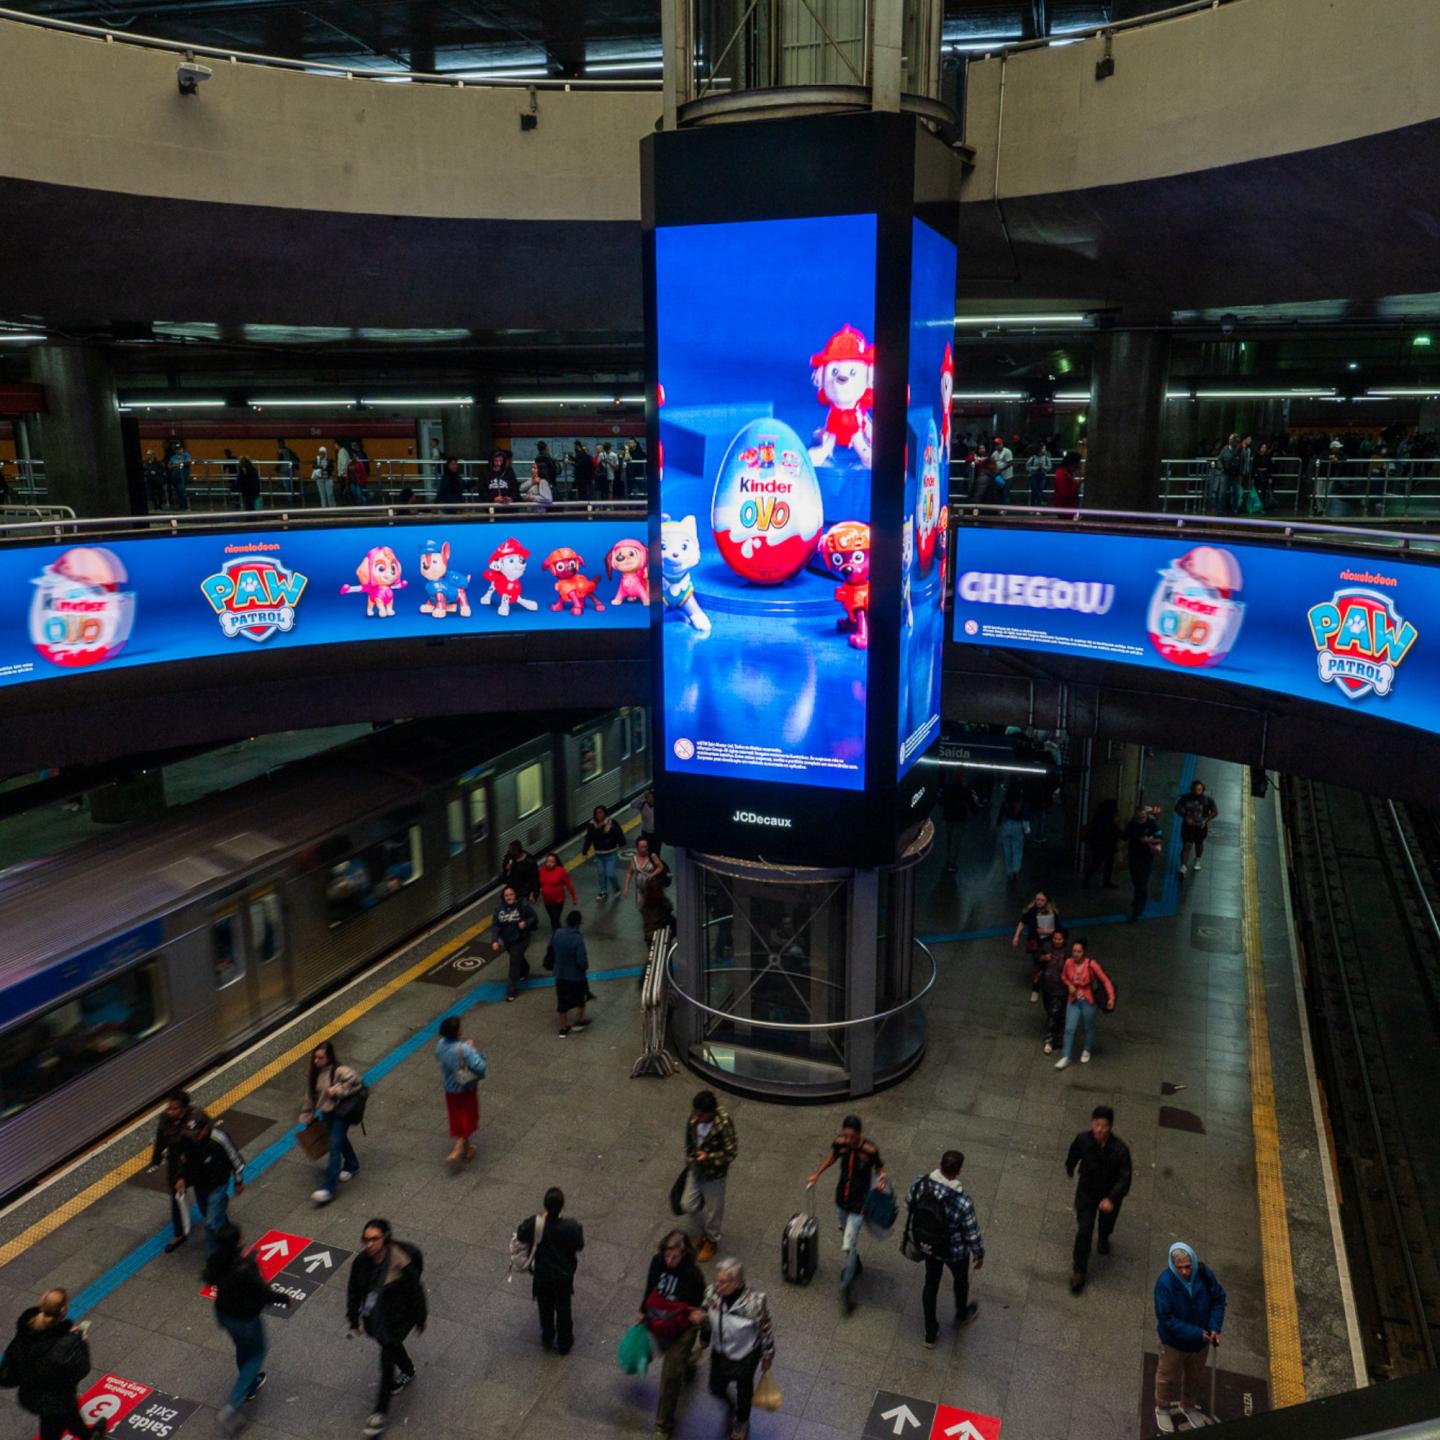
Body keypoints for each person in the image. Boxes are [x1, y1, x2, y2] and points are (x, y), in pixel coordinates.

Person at [206, 1223, 292, 1434]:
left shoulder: (216, 1260)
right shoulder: (245, 1267)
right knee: (256, 1353)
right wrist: (284, 1298)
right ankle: (232, 1404)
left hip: (224, 1315)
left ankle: (251, 1387)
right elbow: (263, 1292)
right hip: (245, 1319)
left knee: (243, 1348)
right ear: (237, 1241)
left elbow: (209, 1278)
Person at [347, 1219, 426, 1437]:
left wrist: (420, 1317)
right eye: (366, 1239)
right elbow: (353, 1291)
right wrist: (353, 1319)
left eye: (374, 1239)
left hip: (398, 1318)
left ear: (385, 1238)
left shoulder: (401, 1261)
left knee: (386, 1359)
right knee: (389, 1345)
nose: (369, 1244)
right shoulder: (361, 1262)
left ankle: (379, 1413)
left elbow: (415, 1291)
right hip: (375, 1317)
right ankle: (408, 1370)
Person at [806, 1115, 887, 1311]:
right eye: (846, 1136)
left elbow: (879, 1167)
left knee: (848, 1244)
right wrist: (817, 1174)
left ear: (859, 1134)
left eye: (852, 1137)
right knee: (845, 1236)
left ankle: (846, 1285)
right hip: (841, 1199)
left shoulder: (870, 1150)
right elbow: (833, 1157)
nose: (848, 1140)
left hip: (859, 1205)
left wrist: (882, 1177)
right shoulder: (840, 1143)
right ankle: (855, 1264)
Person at [904, 1149, 983, 1349]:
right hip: (954, 1251)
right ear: (958, 1172)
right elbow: (971, 1233)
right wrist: (979, 1254)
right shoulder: (963, 1202)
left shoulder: (920, 1183)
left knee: (931, 1283)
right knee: (960, 1280)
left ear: (940, 1164)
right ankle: (961, 1314)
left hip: (930, 1246)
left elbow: (909, 1202)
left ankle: (930, 1332)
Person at [638, 1231, 706, 1440]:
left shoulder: (693, 1275)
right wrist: (642, 1311)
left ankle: (663, 1425)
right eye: (667, 1255)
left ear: (684, 1253)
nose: (669, 1260)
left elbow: (699, 1305)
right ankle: (688, 1364)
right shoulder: (657, 1262)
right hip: (659, 1322)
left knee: (669, 1376)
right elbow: (650, 1287)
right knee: (673, 1361)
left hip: (683, 1329)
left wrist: (698, 1319)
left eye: (674, 1256)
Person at [696, 1259, 774, 1440]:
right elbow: (706, 1315)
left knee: (744, 1392)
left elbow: (766, 1329)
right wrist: (704, 1336)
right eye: (717, 1280)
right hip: (720, 1351)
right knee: (715, 1387)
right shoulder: (712, 1294)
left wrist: (768, 1355)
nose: (718, 1285)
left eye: (723, 1282)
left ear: (737, 1283)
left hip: (745, 1355)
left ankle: (742, 1421)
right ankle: (731, 1407)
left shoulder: (754, 1303)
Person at [7, 1288, 100, 1440]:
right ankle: (88, 1436)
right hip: (55, 1398)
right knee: (53, 1427)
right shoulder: (67, 1342)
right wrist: (80, 1343)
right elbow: (81, 1370)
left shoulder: (27, 1326)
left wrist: (68, 1335)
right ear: (63, 1309)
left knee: (70, 1417)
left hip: (30, 1390)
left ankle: (87, 1435)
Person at [1154, 1242, 1227, 1432]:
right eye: (1180, 1268)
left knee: (1194, 1376)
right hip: (1173, 1343)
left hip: (1200, 1343)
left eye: (1188, 1266)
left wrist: (1214, 1327)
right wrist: (1197, 1333)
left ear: (1193, 1262)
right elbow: (1165, 1319)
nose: (1185, 1272)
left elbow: (1219, 1300)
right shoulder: (1164, 1284)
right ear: (1173, 1266)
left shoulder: (1204, 1274)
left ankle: (1187, 1404)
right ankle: (1162, 1408)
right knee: (1166, 1377)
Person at [1065, 1105, 1131, 1292]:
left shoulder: (1120, 1150)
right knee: (1084, 1230)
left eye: (1104, 1125)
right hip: (1087, 1193)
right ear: (1092, 1123)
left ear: (1110, 1127)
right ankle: (1079, 1270)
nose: (1099, 1129)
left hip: (1109, 1196)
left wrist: (1111, 1198)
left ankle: (1103, 1236)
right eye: (1096, 1124)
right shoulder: (1083, 1140)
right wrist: (1070, 1167)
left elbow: (1125, 1178)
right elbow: (1074, 1153)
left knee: (1106, 1223)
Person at [513, 1187, 584, 1353]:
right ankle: (565, 1342)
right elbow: (579, 1245)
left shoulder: (535, 1224)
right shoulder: (572, 1227)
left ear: (545, 1205)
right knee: (563, 1307)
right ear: (562, 1205)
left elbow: (521, 1234)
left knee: (545, 1308)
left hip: (542, 1274)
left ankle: (547, 1336)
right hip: (564, 1276)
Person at [298, 1040, 362, 1205]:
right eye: (315, 1057)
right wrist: (308, 1114)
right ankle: (352, 1164)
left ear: (329, 1057)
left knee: (334, 1146)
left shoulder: (339, 1070)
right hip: (327, 1113)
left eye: (320, 1058)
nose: (316, 1061)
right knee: (340, 1140)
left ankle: (328, 1187)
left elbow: (355, 1080)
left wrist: (337, 1090)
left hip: (341, 1112)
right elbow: (310, 1096)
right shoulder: (315, 1074)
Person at [148, 1089, 209, 1254]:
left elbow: (195, 1145)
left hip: (196, 1163)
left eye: (174, 1109)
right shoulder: (165, 1120)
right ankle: (179, 1232)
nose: (169, 1111)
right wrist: (156, 1159)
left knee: (203, 1194)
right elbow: (161, 1139)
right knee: (176, 1197)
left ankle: (214, 1221)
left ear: (183, 1109)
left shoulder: (196, 1117)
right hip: (175, 1163)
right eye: (169, 1107)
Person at [178, 1114, 245, 1259]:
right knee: (210, 1215)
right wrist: (181, 1177)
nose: (195, 1137)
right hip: (199, 1184)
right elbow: (184, 1160)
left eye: (197, 1133)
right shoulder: (189, 1140)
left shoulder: (219, 1138)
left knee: (210, 1223)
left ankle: (214, 1258)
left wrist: (238, 1181)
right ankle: (232, 1238)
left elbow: (235, 1159)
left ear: (206, 1128)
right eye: (192, 1134)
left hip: (218, 1184)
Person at [683, 1090, 737, 1262]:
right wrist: (689, 1157)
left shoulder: (723, 1122)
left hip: (714, 1174)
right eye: (695, 1113)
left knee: (715, 1210)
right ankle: (704, 1231)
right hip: (696, 1169)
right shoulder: (694, 1118)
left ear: (710, 1114)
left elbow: (731, 1153)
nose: (695, 1118)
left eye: (700, 1115)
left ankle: (711, 1240)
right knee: (688, 1205)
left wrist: (709, 1158)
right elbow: (689, 1140)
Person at [1053, 938, 1115, 1070]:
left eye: (1079, 951)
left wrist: (1111, 998)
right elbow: (1063, 976)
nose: (1076, 954)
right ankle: (1066, 1056)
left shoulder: (1091, 965)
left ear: (1084, 952)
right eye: (1074, 951)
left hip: (1088, 999)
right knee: (1069, 1029)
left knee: (1088, 1027)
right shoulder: (1069, 963)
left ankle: (1086, 1049)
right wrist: (1069, 985)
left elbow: (1105, 980)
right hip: (1073, 999)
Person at [434, 1016, 486, 1163]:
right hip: (465, 1088)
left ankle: (468, 1149)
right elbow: (480, 1066)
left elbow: (439, 1057)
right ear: (457, 1032)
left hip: (450, 1088)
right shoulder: (463, 1049)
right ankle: (457, 1150)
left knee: (458, 1118)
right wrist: (472, 1049)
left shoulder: (440, 1045)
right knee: (470, 1117)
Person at [489, 884, 538, 1002]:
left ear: (515, 895)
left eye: (511, 894)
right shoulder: (499, 909)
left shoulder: (523, 905)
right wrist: (494, 940)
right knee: (516, 957)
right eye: (506, 895)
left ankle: (511, 992)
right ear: (503, 897)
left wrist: (525, 923)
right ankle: (525, 969)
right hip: (508, 940)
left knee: (514, 962)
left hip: (522, 939)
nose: (509, 897)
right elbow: (495, 925)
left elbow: (534, 917)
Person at [1011, 890, 1061, 1003]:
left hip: (1047, 942)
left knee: (1047, 963)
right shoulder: (1032, 911)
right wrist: (1016, 936)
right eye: (1037, 899)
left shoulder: (1052, 913)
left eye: (1042, 900)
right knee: (1037, 964)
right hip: (1035, 942)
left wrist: (1046, 931)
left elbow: (1058, 929)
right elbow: (1022, 922)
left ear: (1046, 901)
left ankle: (1045, 986)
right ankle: (1036, 988)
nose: (1039, 902)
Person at [552, 909, 590, 1036]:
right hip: (576, 977)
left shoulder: (557, 933)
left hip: (560, 974)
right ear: (578, 923)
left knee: (562, 1001)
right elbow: (581, 961)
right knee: (581, 999)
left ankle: (563, 1028)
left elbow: (552, 949)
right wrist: (585, 967)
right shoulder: (577, 939)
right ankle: (580, 1021)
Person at [1123, 803, 1163, 920]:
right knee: (1135, 879)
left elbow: (1160, 838)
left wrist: (1148, 840)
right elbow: (1124, 837)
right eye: (1138, 817)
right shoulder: (1132, 824)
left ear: (1146, 816)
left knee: (1142, 881)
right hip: (1134, 856)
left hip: (1146, 857)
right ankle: (1138, 899)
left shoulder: (1151, 825)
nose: (1141, 819)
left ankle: (1138, 907)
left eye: (1143, 817)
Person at [1175, 779, 1218, 876]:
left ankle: (1198, 858)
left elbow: (1215, 812)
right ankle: (1183, 866)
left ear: (1203, 790)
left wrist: (1205, 820)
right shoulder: (1185, 798)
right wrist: (1185, 816)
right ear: (1192, 789)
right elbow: (1177, 808)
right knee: (1187, 845)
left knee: (1199, 844)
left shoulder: (1208, 800)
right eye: (1195, 789)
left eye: (1199, 789)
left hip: (1200, 827)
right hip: (1188, 826)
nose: (1197, 791)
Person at [1037, 927, 1069, 1055]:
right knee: (1051, 1011)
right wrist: (1043, 958)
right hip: (1047, 986)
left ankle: (1049, 1040)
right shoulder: (1046, 948)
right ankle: (1059, 1035)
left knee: (1054, 1013)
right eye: (1055, 938)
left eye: (1059, 939)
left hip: (1060, 989)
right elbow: (1036, 956)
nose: (1057, 941)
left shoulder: (1067, 953)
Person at [583, 804, 624, 901]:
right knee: (601, 874)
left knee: (610, 873)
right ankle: (603, 891)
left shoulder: (612, 822)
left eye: (601, 812)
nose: (599, 815)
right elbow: (589, 838)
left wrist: (611, 830)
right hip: (599, 854)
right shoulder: (592, 825)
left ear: (605, 813)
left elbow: (620, 835)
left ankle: (616, 888)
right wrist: (585, 851)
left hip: (611, 853)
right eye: (597, 813)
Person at [1083, 797, 1122, 887]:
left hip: (1098, 843)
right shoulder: (1109, 819)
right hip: (1106, 844)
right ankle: (1105, 881)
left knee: (1097, 863)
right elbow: (1114, 831)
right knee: (1107, 863)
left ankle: (1087, 881)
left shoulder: (1099, 817)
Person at [537, 851, 577, 930]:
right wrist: (534, 893)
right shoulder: (541, 871)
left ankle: (557, 935)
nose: (549, 863)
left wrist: (574, 898)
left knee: (555, 919)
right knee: (553, 919)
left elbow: (569, 884)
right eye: (547, 861)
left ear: (556, 863)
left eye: (552, 862)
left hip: (558, 901)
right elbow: (537, 883)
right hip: (547, 901)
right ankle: (559, 933)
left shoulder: (560, 871)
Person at [996, 791, 1029, 887]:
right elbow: (1025, 816)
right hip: (1018, 827)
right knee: (1017, 850)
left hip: (1007, 826)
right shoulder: (1021, 803)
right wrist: (1026, 829)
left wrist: (998, 823)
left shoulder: (1005, 803)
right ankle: (1016, 870)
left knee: (1007, 851)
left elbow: (1000, 815)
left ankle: (1009, 872)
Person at [622, 837, 661, 905]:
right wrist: (626, 887)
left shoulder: (652, 856)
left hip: (652, 889)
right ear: (637, 847)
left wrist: (652, 874)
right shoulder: (634, 859)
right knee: (642, 908)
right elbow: (629, 873)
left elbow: (660, 867)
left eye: (645, 847)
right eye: (641, 847)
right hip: (640, 890)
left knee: (652, 909)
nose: (644, 849)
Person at [167, 441, 192, 510]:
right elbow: (169, 465)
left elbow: (189, 461)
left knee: (181, 490)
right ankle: (181, 506)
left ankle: (185, 506)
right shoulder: (173, 457)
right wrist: (176, 464)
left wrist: (181, 462)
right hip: (175, 477)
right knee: (177, 491)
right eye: (177, 449)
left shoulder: (186, 454)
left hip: (183, 476)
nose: (178, 450)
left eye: (180, 448)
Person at [639, 787, 659, 855]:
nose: (651, 798)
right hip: (646, 833)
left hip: (656, 833)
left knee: (656, 852)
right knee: (646, 851)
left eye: (653, 796)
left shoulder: (660, 805)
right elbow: (632, 804)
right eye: (650, 796)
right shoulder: (643, 804)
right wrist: (642, 795)